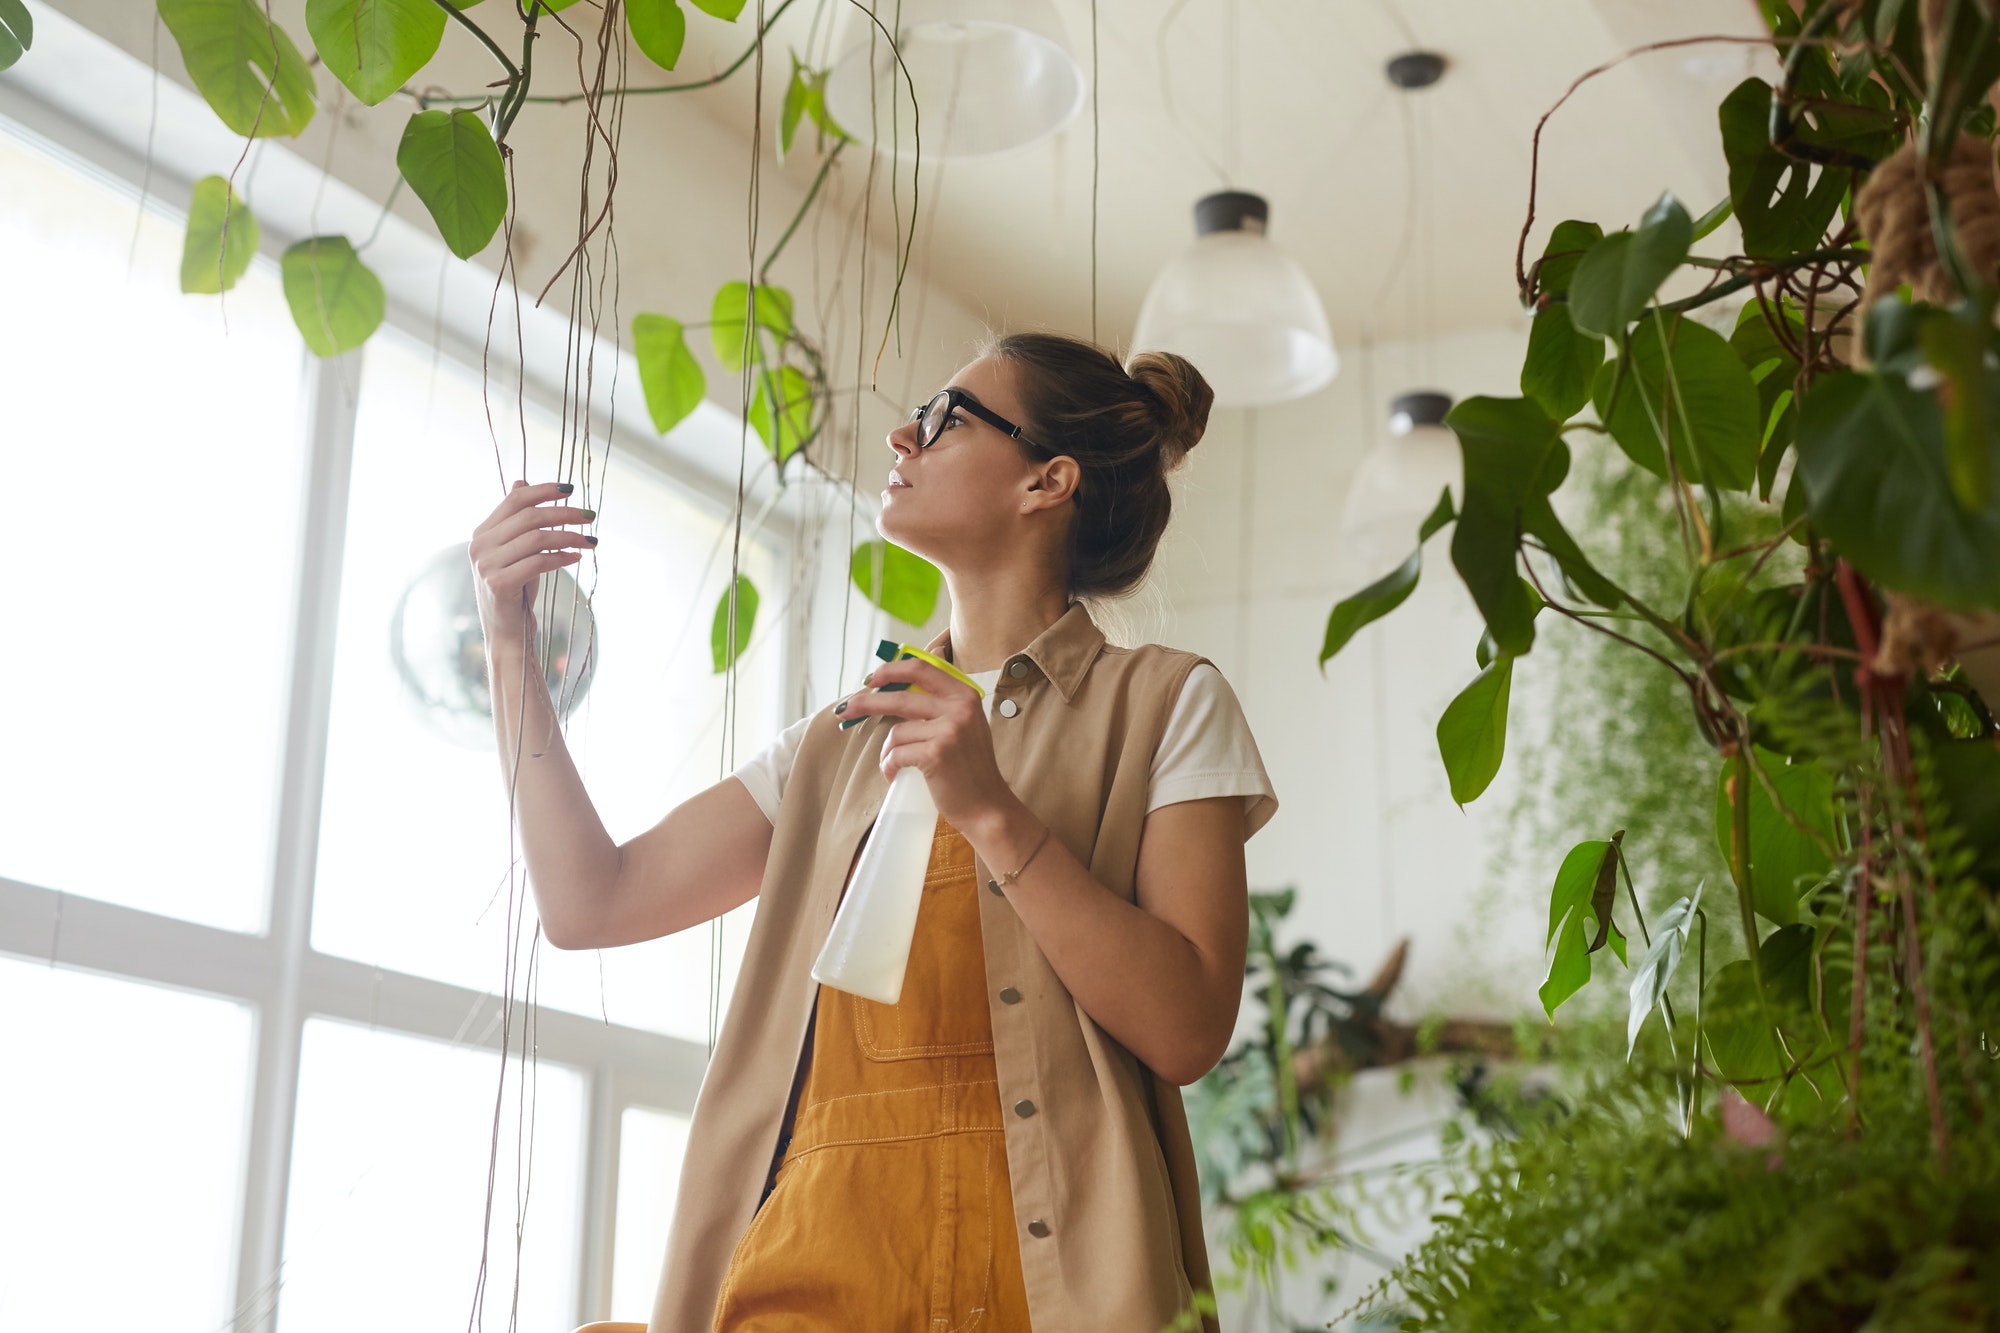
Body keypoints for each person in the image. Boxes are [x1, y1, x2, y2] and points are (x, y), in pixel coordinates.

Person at [471, 331, 1277, 1332]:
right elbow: (591, 901)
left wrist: (989, 809)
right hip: (811, 1273)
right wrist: (508, 638)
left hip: (1045, 1284)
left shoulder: (1165, 703)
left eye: (943, 418)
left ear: (1046, 480)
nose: (902, 433)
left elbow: (1186, 1026)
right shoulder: (839, 742)